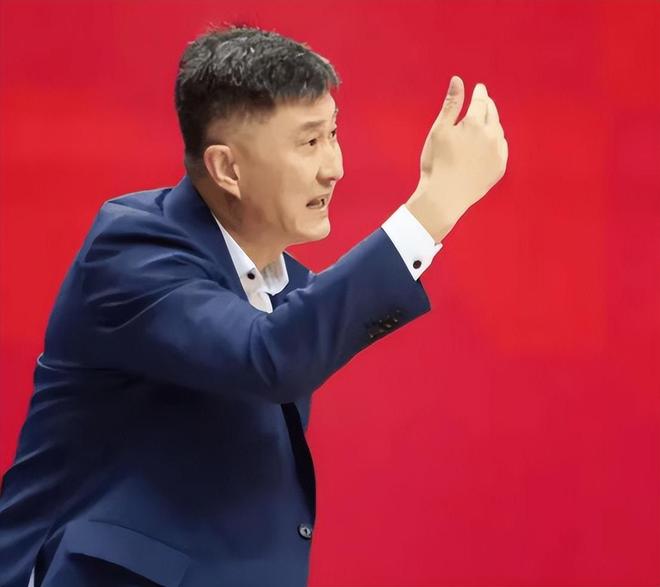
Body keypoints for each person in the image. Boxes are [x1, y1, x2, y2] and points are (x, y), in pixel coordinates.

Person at [0, 24, 507, 587]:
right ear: (227, 169)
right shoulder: (130, 251)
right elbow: (268, 357)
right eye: (309, 143)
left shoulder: (285, 286)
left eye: (333, 134)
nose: (334, 167)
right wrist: (434, 206)